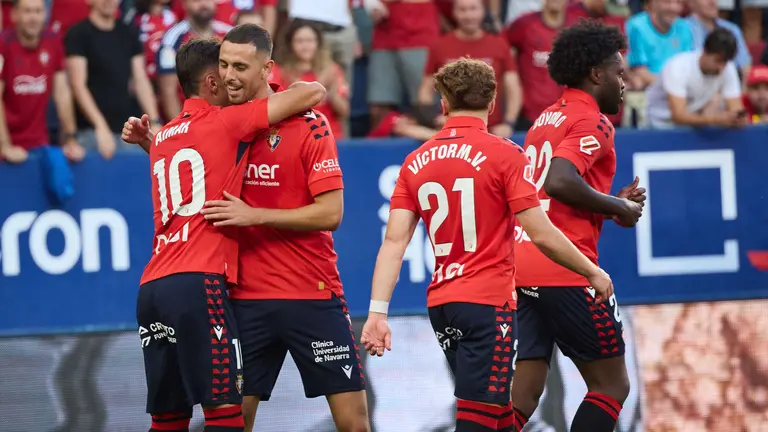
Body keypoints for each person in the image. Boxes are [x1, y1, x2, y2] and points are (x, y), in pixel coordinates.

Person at [124, 24, 371, 432]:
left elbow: (331, 214)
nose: (229, 76)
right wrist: (153, 143)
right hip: (244, 299)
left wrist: (255, 215)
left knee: (354, 423)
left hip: (311, 291)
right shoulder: (225, 124)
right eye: (223, 65)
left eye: (239, 67)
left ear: (266, 69)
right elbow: (192, 168)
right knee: (232, 420)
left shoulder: (309, 125)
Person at [359, 58, 616, 432]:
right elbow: (541, 233)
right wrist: (591, 271)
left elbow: (394, 243)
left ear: (443, 103)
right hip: (487, 303)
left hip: (443, 304)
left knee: (498, 416)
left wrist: (377, 313)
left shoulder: (415, 161)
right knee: (479, 419)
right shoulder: (505, 154)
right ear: (493, 102)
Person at [510, 21, 645, 432]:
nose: (624, 83)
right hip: (565, 266)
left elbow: (549, 195)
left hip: (521, 264)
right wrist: (620, 205)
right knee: (611, 386)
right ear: (596, 74)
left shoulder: (546, 118)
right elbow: (560, 182)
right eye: (619, 73)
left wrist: (609, 206)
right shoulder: (594, 121)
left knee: (524, 392)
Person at [65, 0, 161, 159]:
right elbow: (78, 85)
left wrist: (155, 121)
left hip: (126, 129)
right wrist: (100, 126)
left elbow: (140, 80)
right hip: (89, 131)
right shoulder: (78, 34)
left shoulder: (128, 33)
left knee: (155, 155)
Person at [0, 0, 83, 164]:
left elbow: (62, 94)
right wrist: (4, 146)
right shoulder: (3, 43)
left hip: (39, 144)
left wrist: (71, 139)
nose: (33, 18)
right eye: (27, 11)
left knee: (61, 174)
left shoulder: (53, 41)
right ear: (14, 15)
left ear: (45, 14)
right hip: (7, 145)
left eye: (38, 11)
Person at [646, 27, 744, 129]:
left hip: (693, 124)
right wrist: (716, 119)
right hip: (656, 125)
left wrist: (738, 118)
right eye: (718, 60)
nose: (721, 67)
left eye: (725, 62)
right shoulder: (678, 67)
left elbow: (736, 108)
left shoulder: (728, 68)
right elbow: (678, 116)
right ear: (705, 52)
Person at [156, 0, 232, 121]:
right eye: (197, 0)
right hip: (189, 118)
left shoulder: (229, 34)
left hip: (227, 118)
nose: (204, 4)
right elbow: (168, 91)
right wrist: (182, 127)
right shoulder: (172, 38)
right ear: (184, 4)